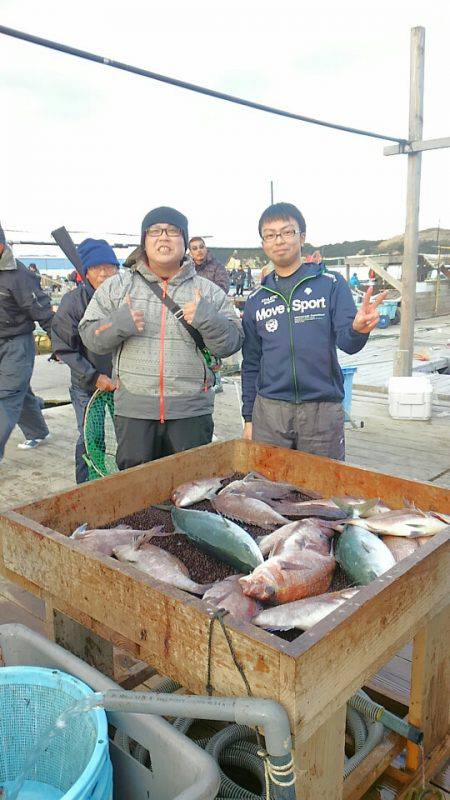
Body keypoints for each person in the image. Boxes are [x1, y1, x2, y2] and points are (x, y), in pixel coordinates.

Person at [79, 206, 243, 470]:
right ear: (144, 240)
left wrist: (207, 318)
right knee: (137, 497)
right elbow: (89, 334)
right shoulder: (117, 287)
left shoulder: (207, 291)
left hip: (192, 411)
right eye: (155, 231)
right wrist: (119, 323)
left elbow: (232, 343)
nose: (163, 237)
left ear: (184, 242)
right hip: (134, 412)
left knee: (192, 489)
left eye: (173, 231)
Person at [241, 202, 387, 460]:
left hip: (322, 410)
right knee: (267, 487)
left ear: (302, 237)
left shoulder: (330, 284)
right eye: (270, 235)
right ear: (263, 243)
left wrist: (358, 329)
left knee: (324, 491)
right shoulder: (255, 298)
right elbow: (251, 362)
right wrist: (248, 418)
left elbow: (348, 343)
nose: (279, 240)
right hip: (270, 411)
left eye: (287, 232)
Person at [51, 238, 119, 483]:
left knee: (130, 437)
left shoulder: (126, 297)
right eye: (96, 268)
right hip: (87, 383)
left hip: (123, 382)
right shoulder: (72, 302)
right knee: (92, 438)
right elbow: (63, 348)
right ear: (85, 272)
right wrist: (94, 377)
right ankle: (85, 488)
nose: (104, 273)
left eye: (109, 267)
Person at [0, 222, 54, 462]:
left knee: (6, 397)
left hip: (16, 344)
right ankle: (38, 431)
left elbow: (43, 311)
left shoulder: (19, 275)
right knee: (20, 394)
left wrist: (61, 343)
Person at [188, 236, 230, 393]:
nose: (199, 250)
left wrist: (205, 303)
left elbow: (223, 288)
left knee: (212, 347)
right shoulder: (186, 268)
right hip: (190, 314)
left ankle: (216, 379)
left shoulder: (217, 266)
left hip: (211, 313)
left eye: (201, 247)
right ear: (190, 252)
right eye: (195, 248)